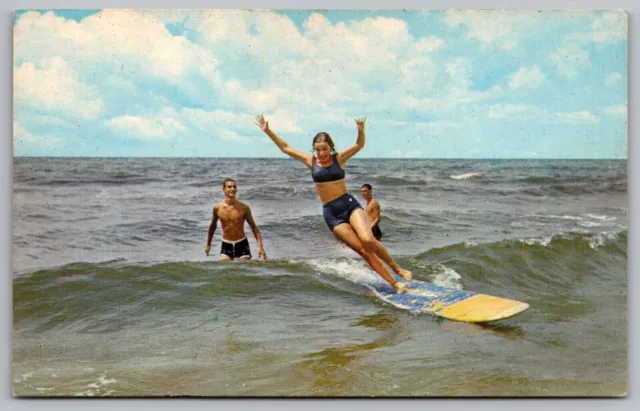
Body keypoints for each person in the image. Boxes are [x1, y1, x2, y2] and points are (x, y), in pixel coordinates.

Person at [255, 114, 411, 293]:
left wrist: (360, 130)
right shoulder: (310, 161)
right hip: (331, 214)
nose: (321, 153)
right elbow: (285, 147)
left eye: (324, 149)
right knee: (363, 251)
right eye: (317, 150)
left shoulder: (339, 159)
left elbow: (359, 145)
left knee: (368, 240)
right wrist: (268, 130)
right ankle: (394, 284)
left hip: (349, 205)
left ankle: (398, 269)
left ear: (331, 147)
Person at [205, 178, 267, 261]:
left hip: (241, 243)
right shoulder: (217, 208)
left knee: (244, 269)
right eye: (229, 187)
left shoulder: (244, 208)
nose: (232, 189)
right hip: (226, 243)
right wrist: (208, 245)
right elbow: (212, 226)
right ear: (223, 189)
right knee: (223, 269)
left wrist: (260, 247)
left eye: (234, 187)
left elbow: (254, 227)